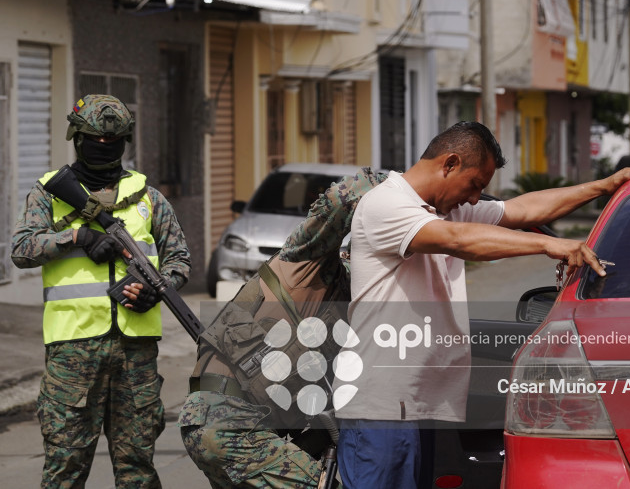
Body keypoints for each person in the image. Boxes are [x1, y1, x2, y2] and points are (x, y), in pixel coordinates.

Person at [334, 121, 630, 489]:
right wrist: (547, 246)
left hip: (412, 405)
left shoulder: (444, 209)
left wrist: (604, 186)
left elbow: (524, 209)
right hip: (380, 404)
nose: (475, 199)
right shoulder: (387, 204)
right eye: (474, 185)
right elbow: (459, 241)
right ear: (450, 163)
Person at [11, 94, 191, 489]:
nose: (105, 148)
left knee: (138, 470)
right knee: (64, 468)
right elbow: (21, 251)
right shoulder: (48, 193)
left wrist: (157, 290)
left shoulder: (147, 198)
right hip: (72, 353)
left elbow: (179, 260)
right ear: (77, 138)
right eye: (95, 140)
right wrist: (76, 236)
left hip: (136, 354)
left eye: (114, 142)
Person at [178, 168, 386, 489]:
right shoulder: (311, 264)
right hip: (231, 425)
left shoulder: (355, 309)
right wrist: (411, 192)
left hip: (225, 424)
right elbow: (341, 198)